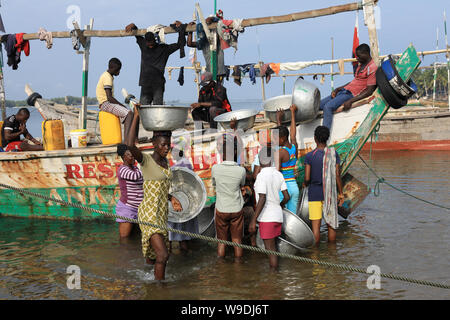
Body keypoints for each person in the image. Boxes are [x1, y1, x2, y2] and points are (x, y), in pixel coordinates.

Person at [126, 105, 182, 280]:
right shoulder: (147, 161)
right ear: (154, 144)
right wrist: (136, 117)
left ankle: (148, 280)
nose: (167, 148)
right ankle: (160, 289)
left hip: (161, 214)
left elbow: (161, 188)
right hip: (149, 214)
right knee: (163, 255)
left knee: (156, 257)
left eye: (168, 145)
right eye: (163, 145)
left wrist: (172, 198)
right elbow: (128, 144)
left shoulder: (166, 163)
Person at [249, 147, 290, 270]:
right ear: (272, 160)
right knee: (274, 248)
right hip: (278, 216)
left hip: (267, 217)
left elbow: (262, 198)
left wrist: (253, 220)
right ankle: (276, 274)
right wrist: (279, 205)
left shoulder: (261, 176)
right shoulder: (278, 174)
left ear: (260, 161)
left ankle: (273, 279)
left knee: (270, 250)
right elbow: (287, 196)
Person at [319, 43, 377, 130]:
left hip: (350, 94)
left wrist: (350, 101)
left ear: (366, 53)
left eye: (359, 56)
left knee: (328, 107)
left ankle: (324, 136)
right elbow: (354, 81)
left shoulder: (372, 68)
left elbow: (369, 91)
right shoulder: (361, 65)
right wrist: (339, 88)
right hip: (344, 91)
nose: (357, 58)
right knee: (318, 105)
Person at [125, 21, 185, 105]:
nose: (150, 45)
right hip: (145, 84)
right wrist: (133, 25)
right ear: (146, 41)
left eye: (151, 43)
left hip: (158, 84)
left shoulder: (163, 49)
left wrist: (181, 29)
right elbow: (137, 35)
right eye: (148, 43)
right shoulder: (144, 46)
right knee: (144, 108)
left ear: (155, 40)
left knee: (157, 108)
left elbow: (180, 44)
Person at [303, 126, 344, 245]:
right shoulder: (333, 154)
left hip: (314, 193)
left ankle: (315, 258)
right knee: (331, 225)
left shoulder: (310, 156)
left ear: (315, 138)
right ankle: (332, 254)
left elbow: (306, 178)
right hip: (330, 193)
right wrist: (340, 194)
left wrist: (304, 184)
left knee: (316, 228)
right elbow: (337, 175)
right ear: (327, 138)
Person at [211, 133, 246, 260]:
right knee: (237, 241)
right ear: (235, 152)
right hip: (236, 209)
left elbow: (214, 184)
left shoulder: (215, 168)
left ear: (223, 154)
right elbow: (241, 185)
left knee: (222, 241)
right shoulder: (241, 170)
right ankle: (239, 269)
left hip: (221, 209)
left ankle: (221, 269)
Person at [168, 146, 199, 253]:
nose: (172, 156)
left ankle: (177, 250)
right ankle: (186, 250)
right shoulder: (187, 163)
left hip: (180, 197)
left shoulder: (180, 165)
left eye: (173, 153)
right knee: (186, 229)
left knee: (177, 225)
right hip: (188, 197)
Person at [96, 58, 136, 142]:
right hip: (105, 104)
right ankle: (127, 141)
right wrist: (122, 105)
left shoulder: (106, 75)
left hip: (106, 103)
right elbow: (109, 98)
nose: (119, 72)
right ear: (113, 69)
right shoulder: (107, 78)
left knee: (128, 113)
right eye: (118, 70)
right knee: (129, 114)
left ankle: (128, 139)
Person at [273, 105, 300, 215]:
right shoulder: (293, 147)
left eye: (276, 138)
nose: (275, 140)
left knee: (281, 218)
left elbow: (278, 174)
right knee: (292, 218)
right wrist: (292, 113)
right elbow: (293, 134)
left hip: (284, 189)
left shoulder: (280, 153)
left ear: (282, 138)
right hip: (294, 187)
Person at [115, 144, 143, 238]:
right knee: (125, 239)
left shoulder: (135, 168)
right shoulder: (122, 169)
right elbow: (135, 177)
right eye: (131, 155)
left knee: (136, 237)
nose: (133, 157)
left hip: (139, 209)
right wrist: (145, 166)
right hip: (127, 209)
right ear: (124, 157)